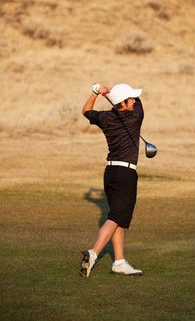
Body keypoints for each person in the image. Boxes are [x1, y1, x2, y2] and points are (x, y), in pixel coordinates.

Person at [80, 83, 144, 277]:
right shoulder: (135, 116)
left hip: (110, 173)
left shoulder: (106, 118)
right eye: (130, 98)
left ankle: (119, 261)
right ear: (123, 103)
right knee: (116, 217)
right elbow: (140, 103)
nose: (134, 100)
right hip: (126, 175)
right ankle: (93, 253)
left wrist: (96, 93)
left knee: (118, 217)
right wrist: (110, 93)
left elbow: (86, 111)